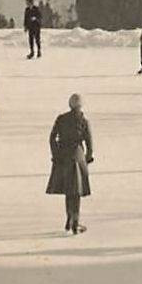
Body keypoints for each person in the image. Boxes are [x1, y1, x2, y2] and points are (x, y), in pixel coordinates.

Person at [47, 94, 94, 234]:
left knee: (68, 190)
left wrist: (56, 154)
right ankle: (76, 220)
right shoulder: (84, 121)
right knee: (77, 191)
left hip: (63, 157)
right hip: (78, 157)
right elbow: (89, 142)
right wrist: (88, 157)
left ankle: (69, 218)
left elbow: (52, 138)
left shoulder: (61, 119)